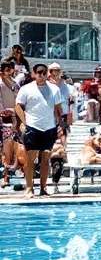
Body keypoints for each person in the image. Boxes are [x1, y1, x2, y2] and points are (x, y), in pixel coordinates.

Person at [14, 63, 62, 197]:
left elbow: (58, 108)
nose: (41, 75)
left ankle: (43, 187)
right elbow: (18, 107)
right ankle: (29, 188)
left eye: (44, 72)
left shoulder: (54, 89)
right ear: (34, 74)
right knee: (31, 158)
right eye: (39, 72)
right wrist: (24, 122)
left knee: (46, 158)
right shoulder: (26, 89)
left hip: (49, 127)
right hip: (33, 126)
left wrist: (60, 122)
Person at [1, 59, 22, 188]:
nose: (9, 72)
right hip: (2, 118)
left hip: (14, 117)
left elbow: (18, 100)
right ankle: (5, 176)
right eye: (6, 69)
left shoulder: (15, 84)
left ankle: (11, 174)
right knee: (4, 148)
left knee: (13, 147)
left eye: (11, 69)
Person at [47, 63, 73, 131]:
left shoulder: (65, 85)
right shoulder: (45, 84)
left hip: (63, 113)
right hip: (49, 114)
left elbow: (68, 101)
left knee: (62, 136)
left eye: (56, 70)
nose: (54, 72)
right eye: (51, 70)